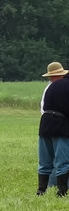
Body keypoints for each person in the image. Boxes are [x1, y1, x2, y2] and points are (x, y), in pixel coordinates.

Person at [37, 61, 69, 196]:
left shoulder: (50, 87)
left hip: (45, 125)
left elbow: (43, 108)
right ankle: (62, 191)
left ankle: (41, 190)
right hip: (60, 127)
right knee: (62, 161)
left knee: (44, 161)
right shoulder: (66, 86)